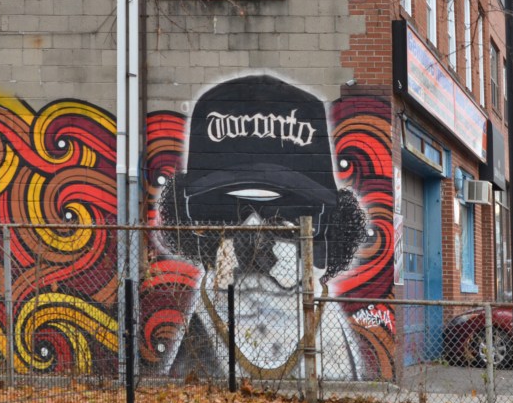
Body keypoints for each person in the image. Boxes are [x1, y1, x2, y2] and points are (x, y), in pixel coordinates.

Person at [156, 74, 369, 381]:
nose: (252, 231)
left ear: (330, 224)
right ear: (190, 223)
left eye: (287, 216)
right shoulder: (203, 320)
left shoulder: (329, 327)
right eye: (226, 213)